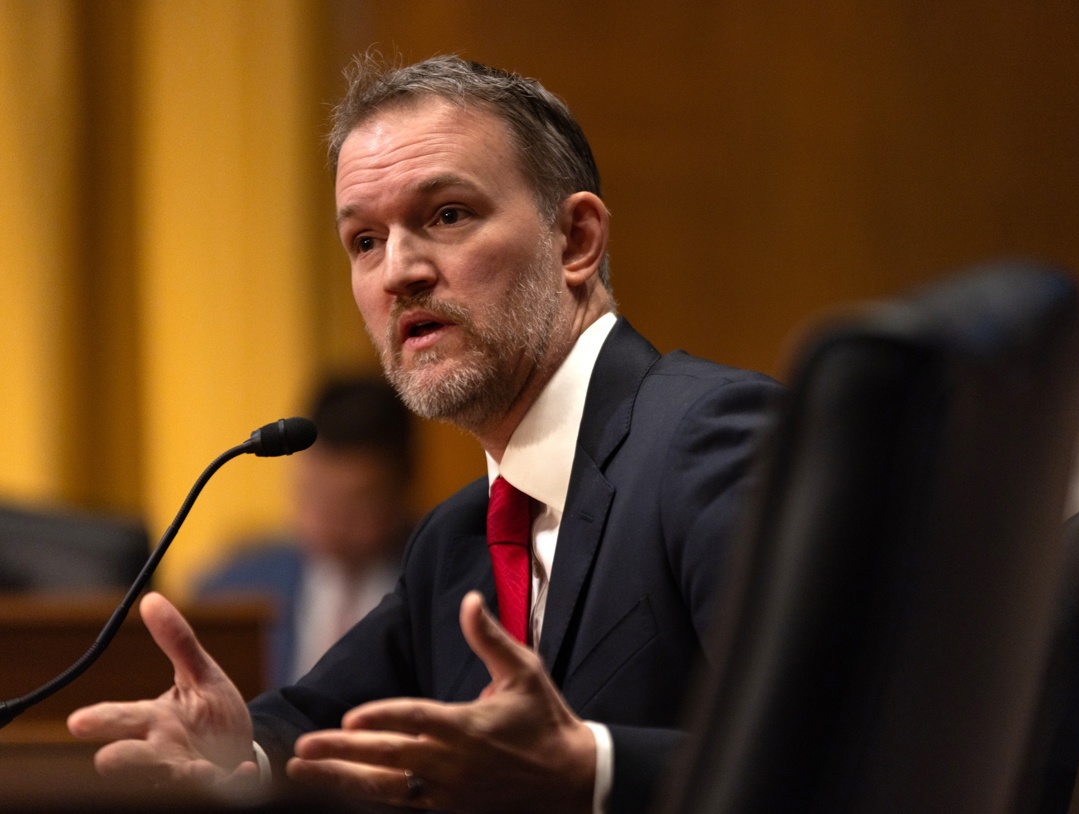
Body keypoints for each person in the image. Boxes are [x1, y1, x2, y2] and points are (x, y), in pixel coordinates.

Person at [67, 55, 782, 813]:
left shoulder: (711, 441)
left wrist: (594, 767)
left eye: (446, 215)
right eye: (365, 240)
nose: (398, 272)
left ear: (575, 239)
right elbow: (316, 723)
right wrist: (235, 754)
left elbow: (844, 741)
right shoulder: (457, 542)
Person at [197, 375, 416, 686]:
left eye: (355, 502)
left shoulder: (440, 584)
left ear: (402, 488)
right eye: (317, 493)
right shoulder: (232, 595)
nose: (332, 519)